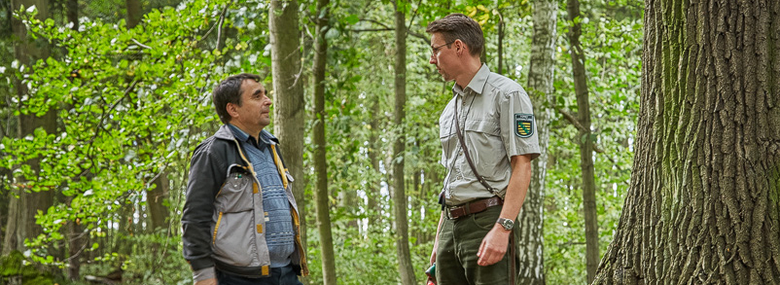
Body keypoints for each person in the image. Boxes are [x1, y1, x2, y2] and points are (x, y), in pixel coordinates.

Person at [426, 13, 540, 284]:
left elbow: (522, 165)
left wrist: (503, 228)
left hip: (488, 220)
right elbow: (452, 178)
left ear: (458, 47)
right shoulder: (449, 110)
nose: (432, 60)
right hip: (450, 227)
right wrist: (440, 240)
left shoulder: (508, 94)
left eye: (435, 50)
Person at [181, 73, 308, 285]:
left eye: (265, 95)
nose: (268, 101)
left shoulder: (272, 147)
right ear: (233, 109)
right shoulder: (214, 152)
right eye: (257, 96)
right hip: (237, 278)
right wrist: (203, 275)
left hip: (285, 273)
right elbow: (194, 218)